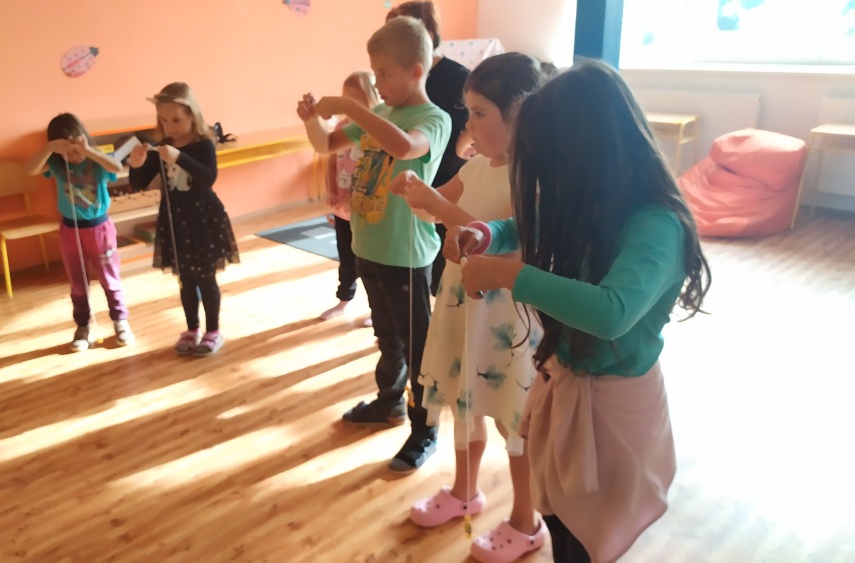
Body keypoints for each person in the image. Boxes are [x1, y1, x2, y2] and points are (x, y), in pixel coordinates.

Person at [448, 59, 712, 563]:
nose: (547, 179)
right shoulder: (581, 199)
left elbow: (611, 312)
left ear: (589, 154)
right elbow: (525, 224)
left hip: (615, 414)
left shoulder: (657, 226)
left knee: (590, 541)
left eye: (550, 163)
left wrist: (507, 274)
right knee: (562, 523)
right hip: (565, 383)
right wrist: (486, 233)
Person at [392, 53, 555, 562]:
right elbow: (439, 207)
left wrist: (441, 210)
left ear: (519, 115)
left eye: (480, 113)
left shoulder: (532, 180)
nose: (470, 125)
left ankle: (526, 520)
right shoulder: (479, 165)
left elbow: (505, 246)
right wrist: (415, 192)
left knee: (513, 419)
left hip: (507, 318)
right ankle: (464, 491)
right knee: (465, 401)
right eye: (469, 113)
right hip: (462, 305)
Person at [297, 16, 451, 472]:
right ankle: (389, 403)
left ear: (416, 71)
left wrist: (352, 105)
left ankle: (425, 430)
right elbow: (326, 143)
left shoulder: (433, 119)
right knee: (388, 337)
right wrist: (312, 121)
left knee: (418, 349)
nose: (378, 82)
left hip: (406, 256)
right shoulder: (380, 113)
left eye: (384, 73)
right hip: (370, 249)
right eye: (375, 72)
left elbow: (404, 148)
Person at [129, 82, 239, 357]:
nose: (170, 126)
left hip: (202, 220)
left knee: (206, 278)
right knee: (185, 280)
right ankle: (192, 329)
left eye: (176, 120)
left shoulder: (203, 144)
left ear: (192, 114)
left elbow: (208, 177)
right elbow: (139, 183)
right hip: (175, 221)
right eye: (164, 120)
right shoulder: (163, 146)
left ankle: (213, 331)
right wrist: (136, 164)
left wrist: (179, 157)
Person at [26, 112, 133, 351]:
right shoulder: (56, 164)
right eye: (66, 151)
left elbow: (116, 166)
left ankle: (120, 320)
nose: (72, 156)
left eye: (75, 149)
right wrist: (51, 148)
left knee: (109, 278)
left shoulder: (97, 161)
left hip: (99, 230)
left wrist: (88, 151)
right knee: (77, 282)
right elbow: (31, 169)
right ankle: (83, 325)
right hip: (70, 231)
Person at [387, 1, 471, 296]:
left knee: (443, 265)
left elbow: (469, 128)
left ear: (428, 34)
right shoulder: (395, 77)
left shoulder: (457, 76)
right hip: (408, 176)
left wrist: (462, 146)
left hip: (444, 176)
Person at [319, 71, 379, 324]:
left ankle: (377, 308)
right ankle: (344, 299)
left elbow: (377, 173)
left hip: (364, 211)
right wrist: (331, 191)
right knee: (346, 258)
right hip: (343, 210)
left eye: (355, 101)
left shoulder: (375, 130)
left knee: (370, 262)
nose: (349, 107)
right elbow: (332, 162)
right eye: (346, 100)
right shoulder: (342, 128)